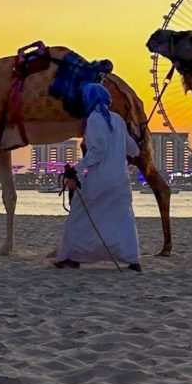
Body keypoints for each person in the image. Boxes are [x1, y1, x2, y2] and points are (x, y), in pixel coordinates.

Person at [54, 83, 142, 270]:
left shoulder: (94, 119)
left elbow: (97, 152)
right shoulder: (117, 119)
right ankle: (133, 260)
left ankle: (71, 257)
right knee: (122, 218)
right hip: (120, 180)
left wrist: (75, 169)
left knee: (79, 215)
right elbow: (134, 150)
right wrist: (135, 138)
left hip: (99, 179)